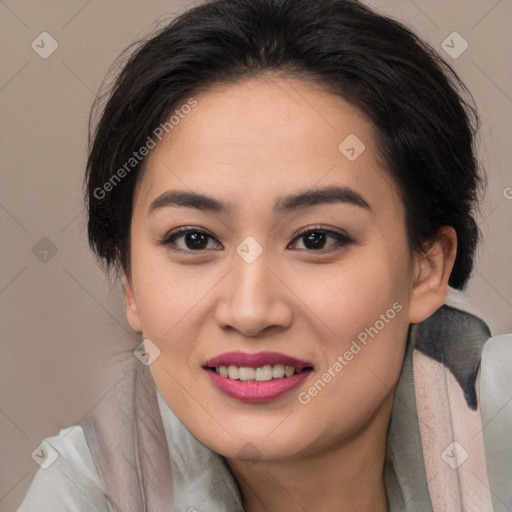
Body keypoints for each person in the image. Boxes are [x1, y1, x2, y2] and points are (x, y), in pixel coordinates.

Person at [17, 0, 512, 511]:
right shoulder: (86, 497)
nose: (250, 312)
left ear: (426, 267)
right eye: (194, 239)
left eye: (316, 239)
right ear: (129, 280)